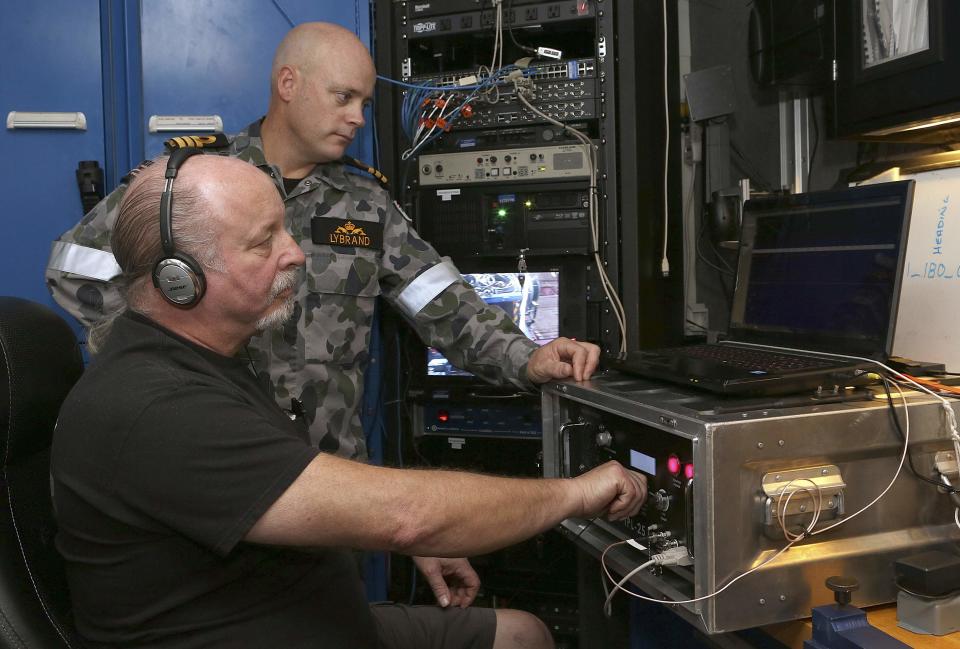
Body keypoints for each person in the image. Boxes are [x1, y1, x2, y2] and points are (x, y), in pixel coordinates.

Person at [50, 153, 648, 649]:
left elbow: (297, 496)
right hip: (248, 632)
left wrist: (396, 534)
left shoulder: (214, 361)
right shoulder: (160, 406)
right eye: (263, 244)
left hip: (281, 607)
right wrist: (576, 492)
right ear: (179, 279)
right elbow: (407, 516)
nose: (295, 254)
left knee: (522, 636)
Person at [45, 21, 602, 463]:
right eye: (343, 97)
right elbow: (75, 269)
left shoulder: (366, 204)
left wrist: (527, 360)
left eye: (362, 102)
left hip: (326, 471)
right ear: (289, 84)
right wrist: (174, 348)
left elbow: (442, 305)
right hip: (204, 459)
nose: (357, 117)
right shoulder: (193, 179)